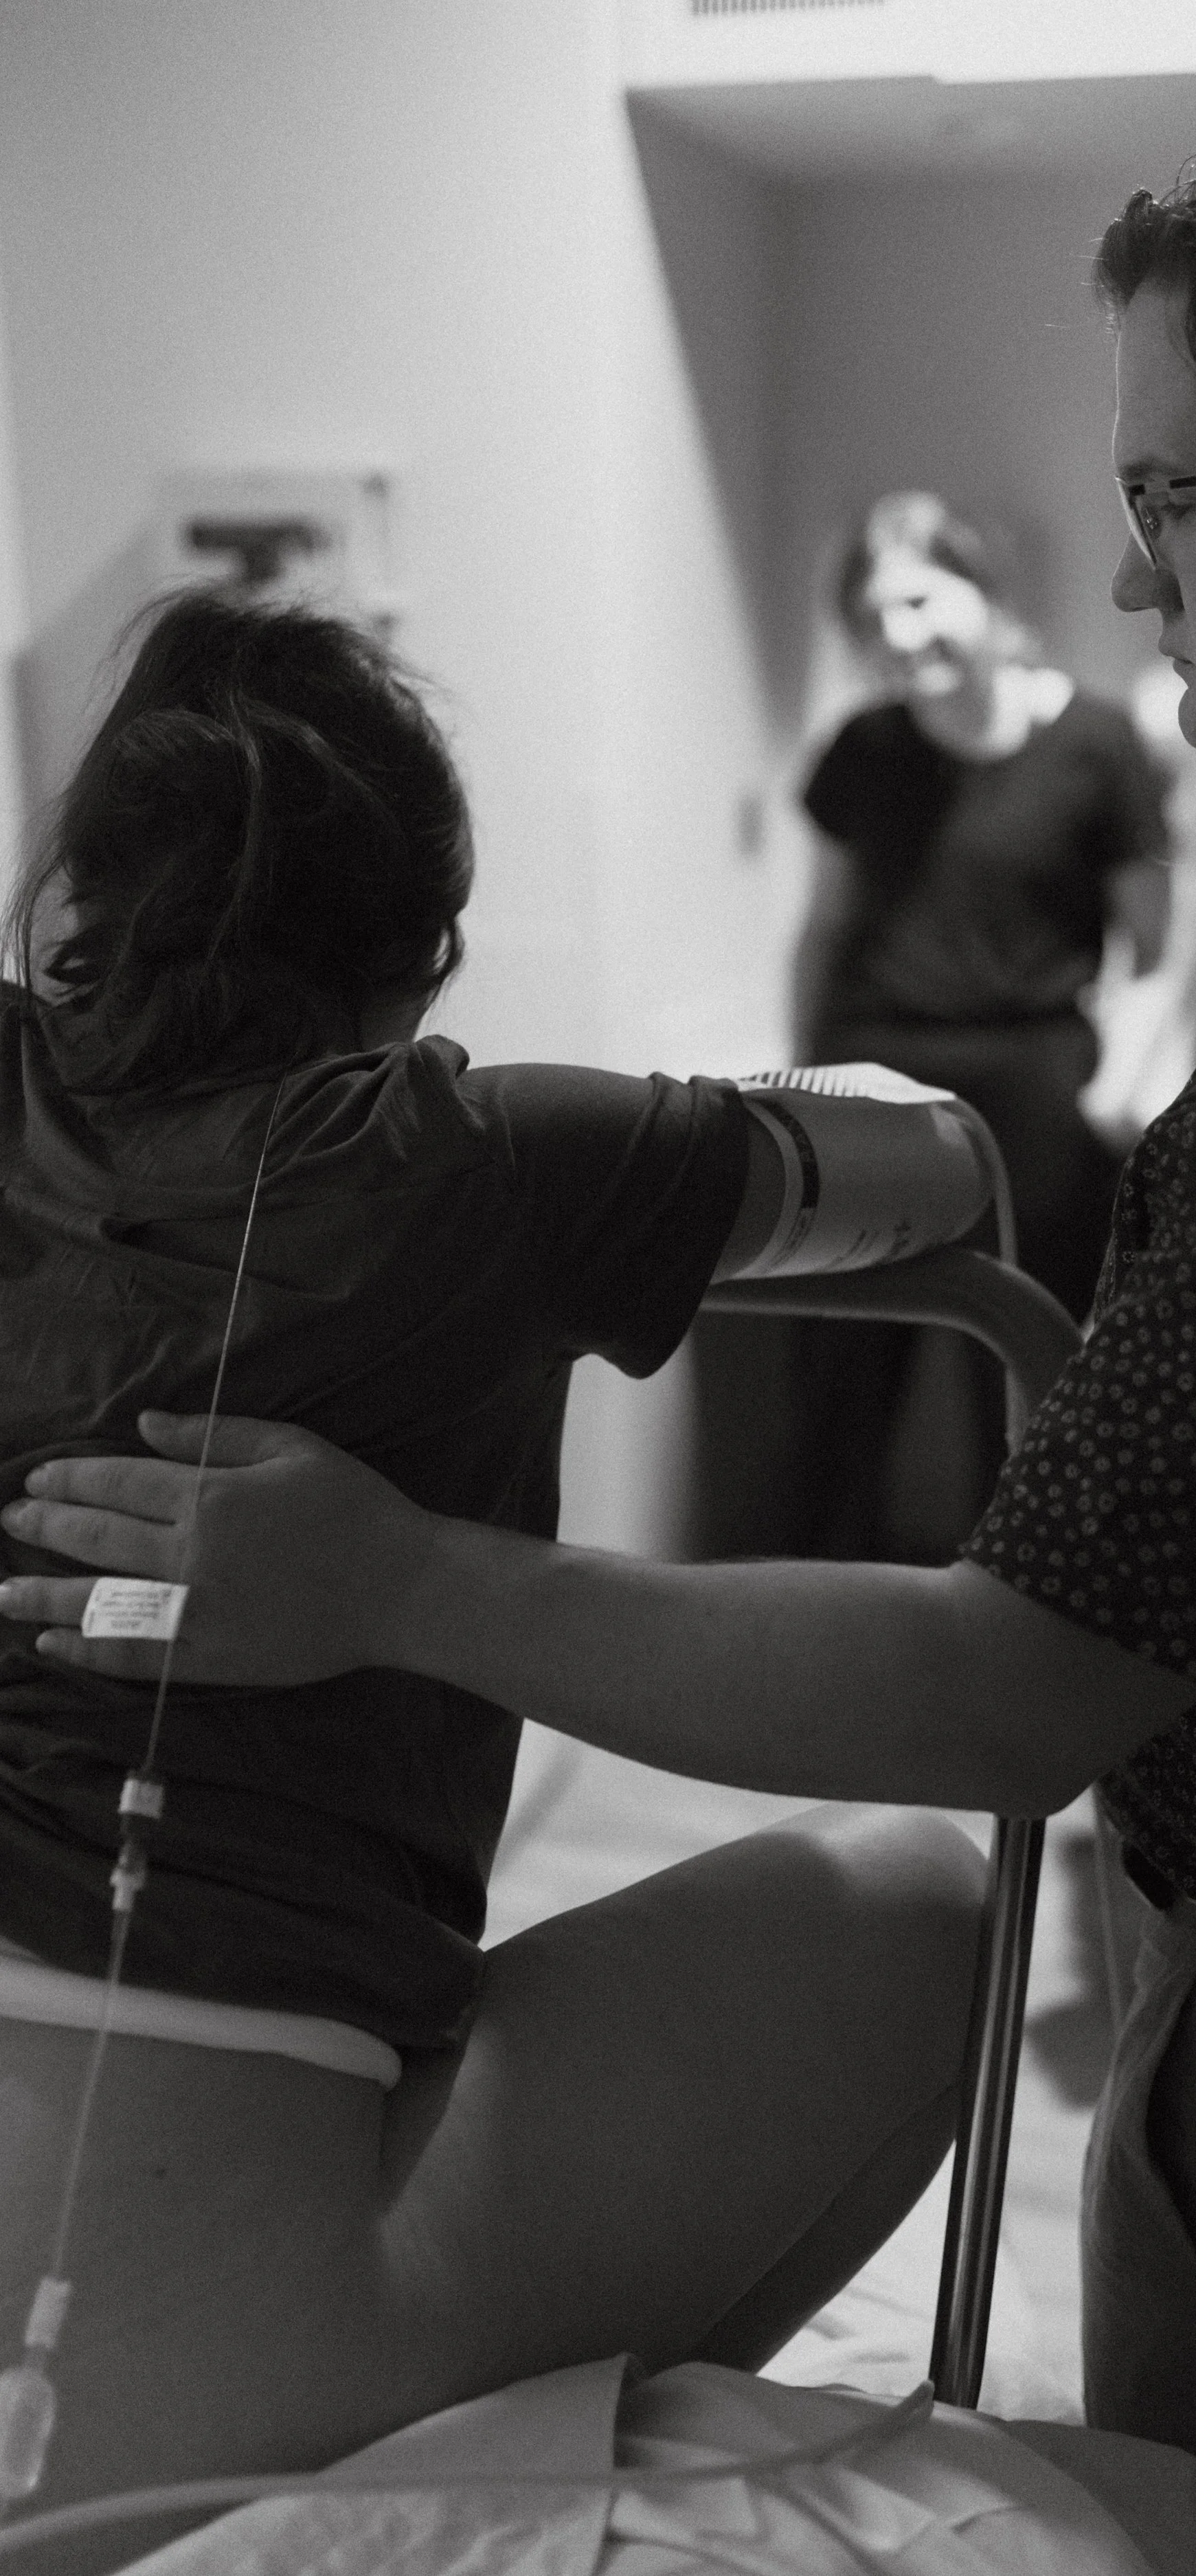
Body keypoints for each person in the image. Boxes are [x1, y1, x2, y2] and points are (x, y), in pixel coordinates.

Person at [12, 91, 1196, 2574]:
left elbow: (1014, 1687)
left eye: (1176, 498)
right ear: (426, 946)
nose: (1140, 586)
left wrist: (399, 1582)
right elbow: (900, 1162)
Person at [0, 587, 984, 2513]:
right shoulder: (486, 1156)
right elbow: (932, 1162)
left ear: (84, 896)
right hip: (180, 2341)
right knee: (924, 1900)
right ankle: (448, 2485)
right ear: (419, 959)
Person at [695, 494, 1171, 1563]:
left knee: (1026, 1378)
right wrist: (799, 1100)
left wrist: (1113, 1090)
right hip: (873, 1084)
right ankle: (815, 1608)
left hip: (1039, 1088)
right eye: (872, 618)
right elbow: (820, 932)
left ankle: (1021, 1618)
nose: (899, 636)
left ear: (985, 589)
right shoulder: (861, 750)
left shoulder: (1097, 743)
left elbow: (1156, 945)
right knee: (840, 1373)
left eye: (918, 598)